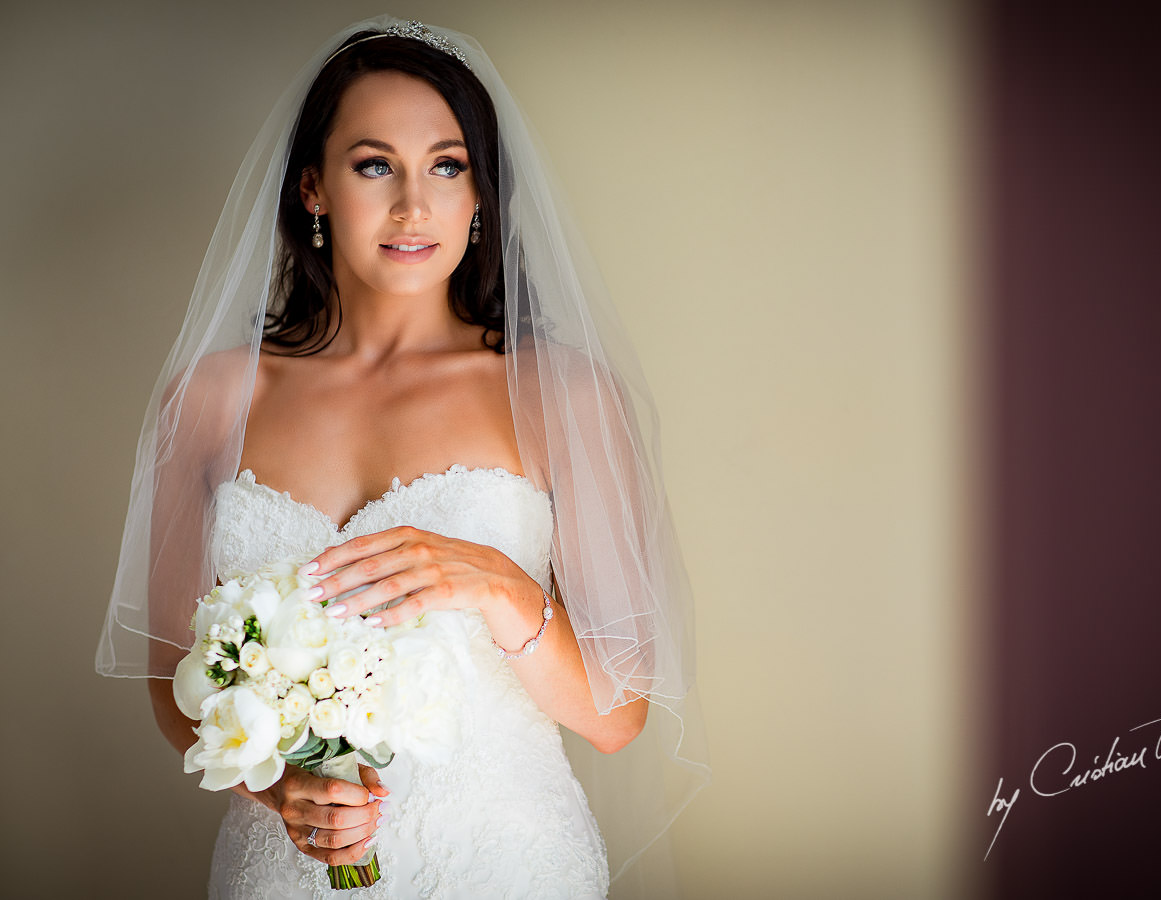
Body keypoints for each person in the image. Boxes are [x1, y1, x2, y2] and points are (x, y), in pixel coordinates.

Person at [97, 18, 707, 899]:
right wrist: (278, 785)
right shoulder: (211, 399)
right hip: (284, 870)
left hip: (505, 859)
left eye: (448, 166)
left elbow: (617, 720)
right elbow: (172, 677)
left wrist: (497, 582)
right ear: (314, 188)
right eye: (374, 164)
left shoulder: (562, 395)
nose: (414, 204)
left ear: (481, 196)